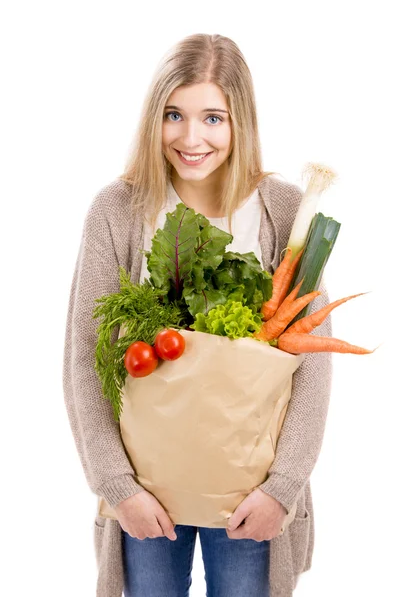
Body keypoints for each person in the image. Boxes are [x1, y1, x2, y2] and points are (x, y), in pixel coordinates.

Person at [63, 33, 332, 597]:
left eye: (214, 117)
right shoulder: (118, 210)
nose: (191, 138)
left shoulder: (284, 210)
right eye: (173, 115)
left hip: (251, 495)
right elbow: (86, 361)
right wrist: (117, 486)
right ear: (153, 118)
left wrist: (281, 488)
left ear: (241, 123)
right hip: (145, 491)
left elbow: (312, 366)